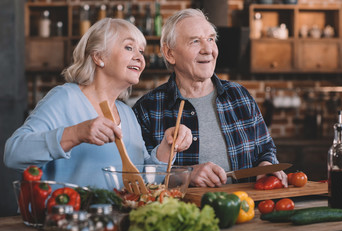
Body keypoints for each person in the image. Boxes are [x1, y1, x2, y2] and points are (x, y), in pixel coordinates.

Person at [4, 18, 192, 189]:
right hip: (66, 221)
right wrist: (76, 133)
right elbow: (13, 154)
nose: (139, 57)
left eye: (141, 51)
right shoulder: (66, 98)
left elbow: (142, 182)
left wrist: (167, 148)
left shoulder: (127, 114)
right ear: (99, 56)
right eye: (129, 47)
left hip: (118, 222)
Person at [133, 9, 288, 188]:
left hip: (247, 211)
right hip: (184, 214)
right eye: (195, 41)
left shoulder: (240, 96)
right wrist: (186, 176)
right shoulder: (147, 109)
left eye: (211, 39)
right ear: (169, 53)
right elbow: (141, 176)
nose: (208, 50)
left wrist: (265, 167)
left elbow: (265, 150)